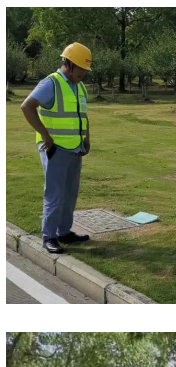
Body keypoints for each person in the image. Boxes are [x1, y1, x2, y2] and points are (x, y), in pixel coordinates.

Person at [20, 43, 92, 255]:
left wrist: (86, 139)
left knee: (70, 193)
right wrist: (44, 135)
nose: (84, 73)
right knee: (55, 194)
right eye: (81, 69)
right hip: (55, 149)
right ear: (69, 64)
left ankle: (64, 232)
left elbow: (83, 115)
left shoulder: (80, 86)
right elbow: (27, 106)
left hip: (75, 148)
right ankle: (49, 236)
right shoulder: (51, 83)